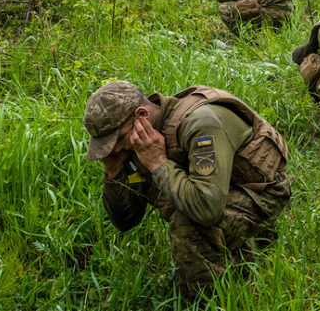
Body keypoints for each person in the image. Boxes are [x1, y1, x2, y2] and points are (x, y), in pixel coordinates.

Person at [83, 80, 291, 298]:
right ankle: (241, 251)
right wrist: (113, 170)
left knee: (188, 222)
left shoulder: (201, 124)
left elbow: (207, 210)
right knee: (176, 199)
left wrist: (158, 163)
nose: (115, 148)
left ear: (142, 115)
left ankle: (207, 299)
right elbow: (125, 221)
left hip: (260, 192)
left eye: (117, 139)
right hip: (218, 190)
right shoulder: (141, 138)